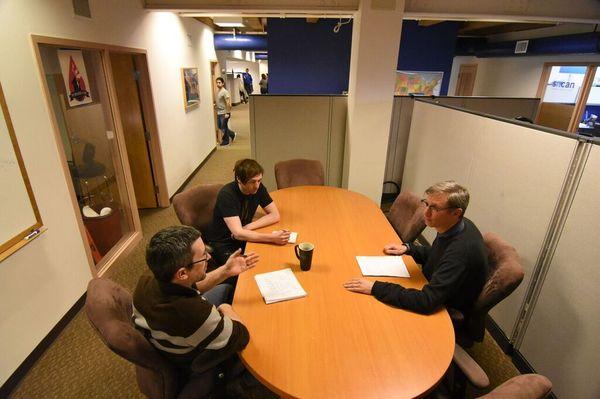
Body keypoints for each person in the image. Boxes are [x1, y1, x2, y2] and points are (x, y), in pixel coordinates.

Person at [344, 181, 489, 329]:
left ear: (456, 213)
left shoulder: (461, 252)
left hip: (442, 311)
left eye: (435, 208)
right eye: (426, 204)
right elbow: (438, 255)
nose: (426, 212)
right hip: (430, 285)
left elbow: (426, 302)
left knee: (365, 318)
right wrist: (409, 249)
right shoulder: (457, 225)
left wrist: (375, 287)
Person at [132, 225, 259, 373]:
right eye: (203, 255)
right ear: (182, 273)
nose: (209, 257)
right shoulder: (192, 313)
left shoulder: (151, 275)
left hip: (165, 333)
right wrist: (225, 307)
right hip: (190, 357)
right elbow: (240, 336)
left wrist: (226, 271)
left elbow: (193, 287)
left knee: (228, 288)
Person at [205, 159, 290, 266]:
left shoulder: (258, 188)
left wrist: (247, 227)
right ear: (239, 179)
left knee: (270, 258)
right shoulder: (226, 195)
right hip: (223, 242)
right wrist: (272, 238)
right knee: (243, 270)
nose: (257, 186)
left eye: (259, 180)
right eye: (252, 182)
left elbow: (275, 215)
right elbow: (238, 234)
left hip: (241, 235)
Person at [215, 77, 236, 146]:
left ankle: (226, 141)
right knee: (220, 126)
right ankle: (232, 134)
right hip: (219, 112)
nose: (218, 84)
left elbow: (228, 103)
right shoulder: (218, 91)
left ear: (223, 83)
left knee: (223, 127)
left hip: (224, 112)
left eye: (219, 82)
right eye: (217, 83)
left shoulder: (224, 92)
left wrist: (227, 112)